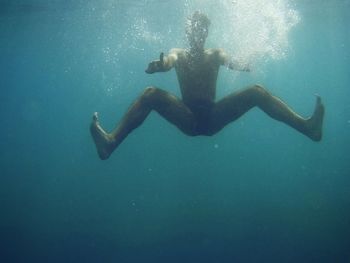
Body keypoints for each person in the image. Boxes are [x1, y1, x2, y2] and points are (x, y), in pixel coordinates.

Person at [90, 11, 324, 160]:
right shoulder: (178, 54)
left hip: (213, 118)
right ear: (188, 32)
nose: (198, 34)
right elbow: (169, 62)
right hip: (188, 118)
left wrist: (243, 63)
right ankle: (111, 142)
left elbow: (232, 61)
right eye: (194, 30)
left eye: (203, 30)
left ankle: (308, 128)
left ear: (206, 33)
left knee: (257, 92)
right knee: (150, 94)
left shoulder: (215, 54)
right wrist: (161, 66)